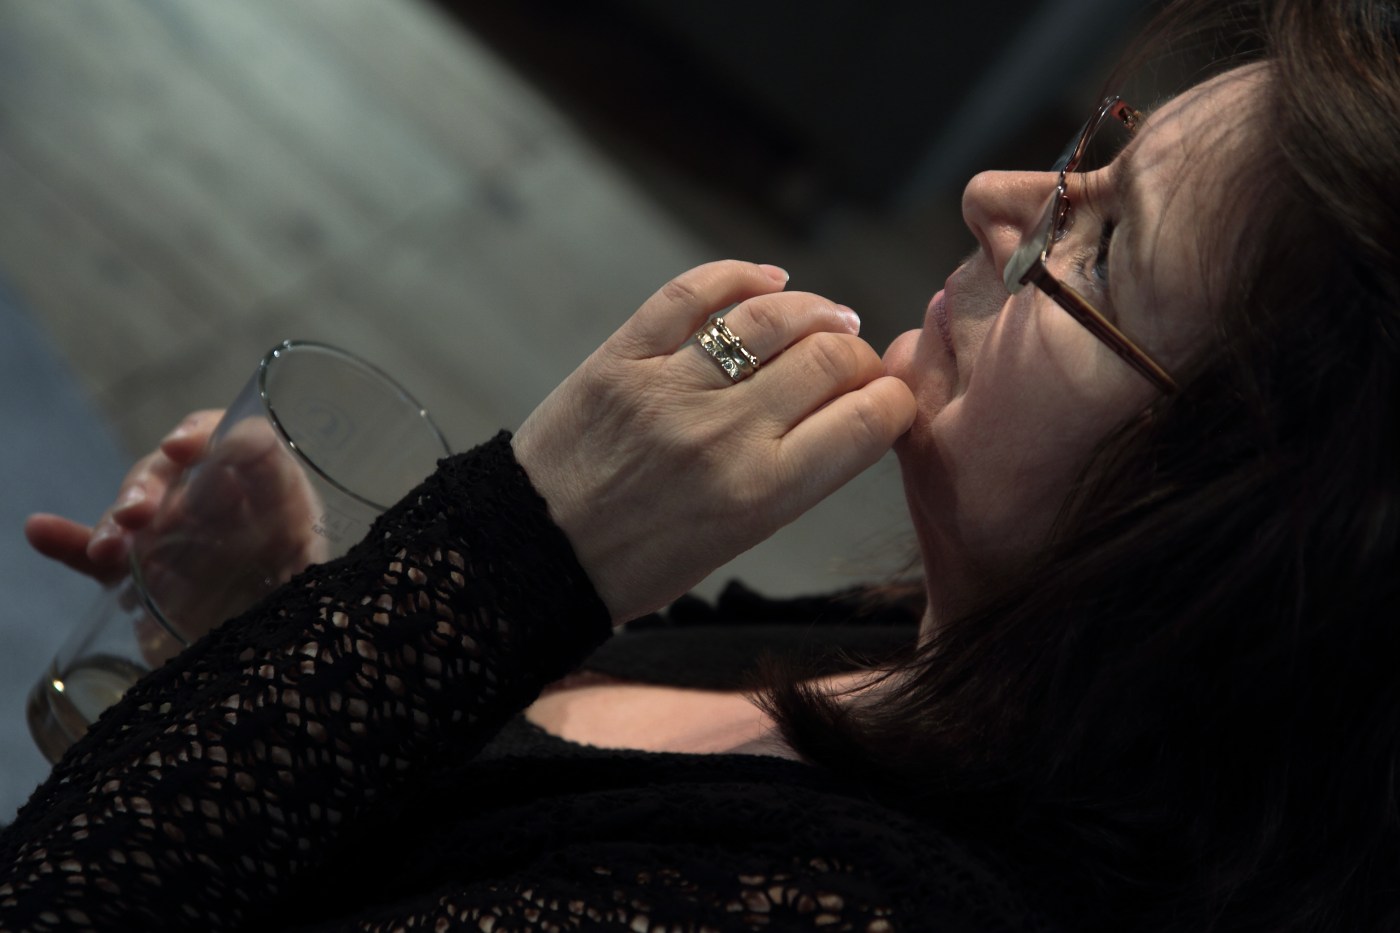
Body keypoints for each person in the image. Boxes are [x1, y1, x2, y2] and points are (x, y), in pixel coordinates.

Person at [4, 0, 1398, 928]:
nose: (997, 198)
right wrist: (296, 641)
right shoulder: (939, 647)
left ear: (1231, 525)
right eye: (1096, 154)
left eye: (1104, 244)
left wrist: (519, 549)